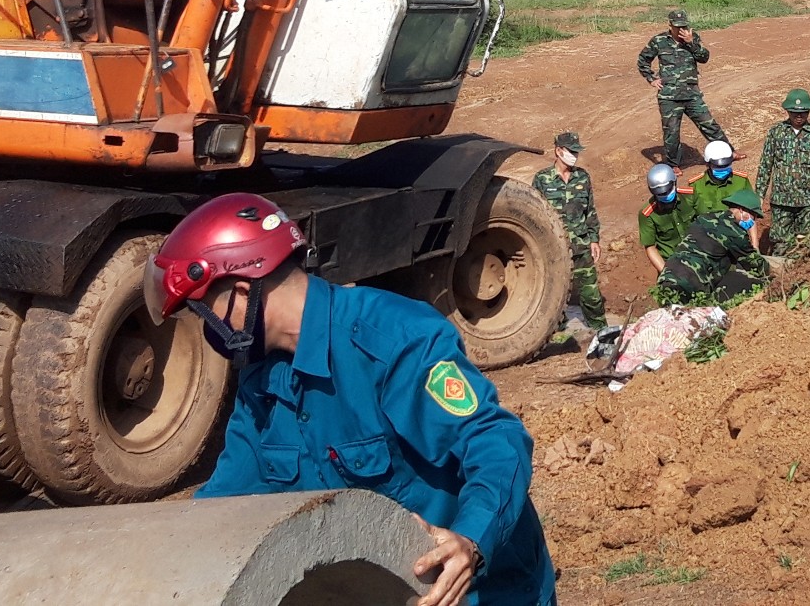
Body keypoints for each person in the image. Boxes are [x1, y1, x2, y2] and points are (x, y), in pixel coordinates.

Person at [154, 193, 556, 606]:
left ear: (242, 292)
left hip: (486, 591)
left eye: (205, 312)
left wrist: (470, 541)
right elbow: (223, 505)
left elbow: (496, 440)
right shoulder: (261, 382)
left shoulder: (396, 341)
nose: (208, 332)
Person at [531, 131, 603, 347]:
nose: (575, 156)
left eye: (576, 152)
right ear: (558, 151)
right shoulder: (542, 179)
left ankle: (603, 333)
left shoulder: (583, 177)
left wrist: (594, 239)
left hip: (581, 245)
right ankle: (556, 338)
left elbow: (590, 210)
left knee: (591, 294)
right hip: (556, 249)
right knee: (555, 294)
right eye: (571, 151)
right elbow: (537, 214)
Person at [653, 185, 771, 307]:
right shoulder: (735, 233)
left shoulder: (706, 217)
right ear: (742, 210)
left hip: (667, 278)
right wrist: (777, 273)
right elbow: (756, 265)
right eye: (753, 216)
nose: (753, 221)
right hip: (690, 284)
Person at [636, 9, 726, 165]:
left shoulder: (693, 38)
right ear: (670, 25)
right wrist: (651, 79)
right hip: (669, 96)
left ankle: (727, 151)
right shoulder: (659, 41)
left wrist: (691, 43)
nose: (680, 30)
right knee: (671, 132)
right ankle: (673, 164)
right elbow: (643, 60)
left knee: (709, 124)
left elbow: (704, 58)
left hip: (691, 93)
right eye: (677, 26)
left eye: (683, 26)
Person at [753, 88, 810, 259]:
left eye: (803, 112)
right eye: (795, 112)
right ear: (787, 111)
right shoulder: (776, 133)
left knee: (805, 244)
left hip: (808, 202)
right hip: (782, 202)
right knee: (780, 245)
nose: (799, 116)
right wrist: (759, 194)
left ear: (809, 111)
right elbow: (766, 165)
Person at [637, 161, 713, 276]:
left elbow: (708, 222)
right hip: (672, 264)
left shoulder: (690, 196)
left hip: (699, 255)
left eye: (667, 191)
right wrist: (667, 274)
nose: (665, 195)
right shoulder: (647, 214)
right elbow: (650, 247)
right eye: (660, 193)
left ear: (674, 183)